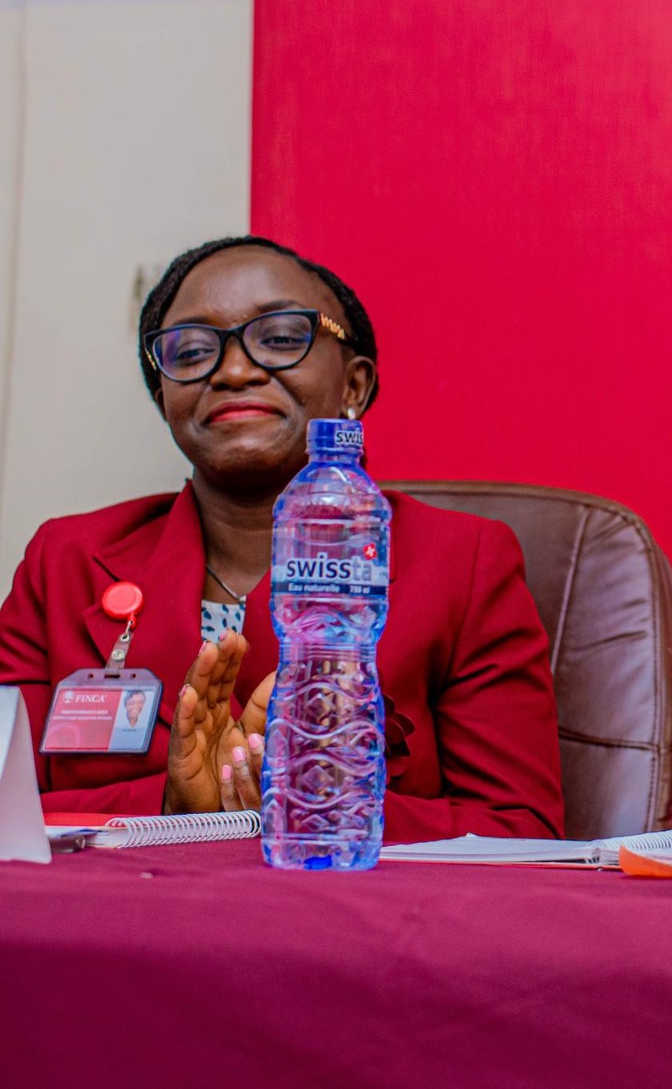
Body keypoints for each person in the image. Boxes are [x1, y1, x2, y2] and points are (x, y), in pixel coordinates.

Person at [0, 235, 565, 840]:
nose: (234, 370)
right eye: (193, 350)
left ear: (353, 385)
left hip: (343, 900)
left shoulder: (461, 562)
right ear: (164, 396)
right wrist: (169, 801)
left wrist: (313, 801)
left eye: (279, 338)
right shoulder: (66, 561)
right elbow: (8, 810)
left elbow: (520, 828)